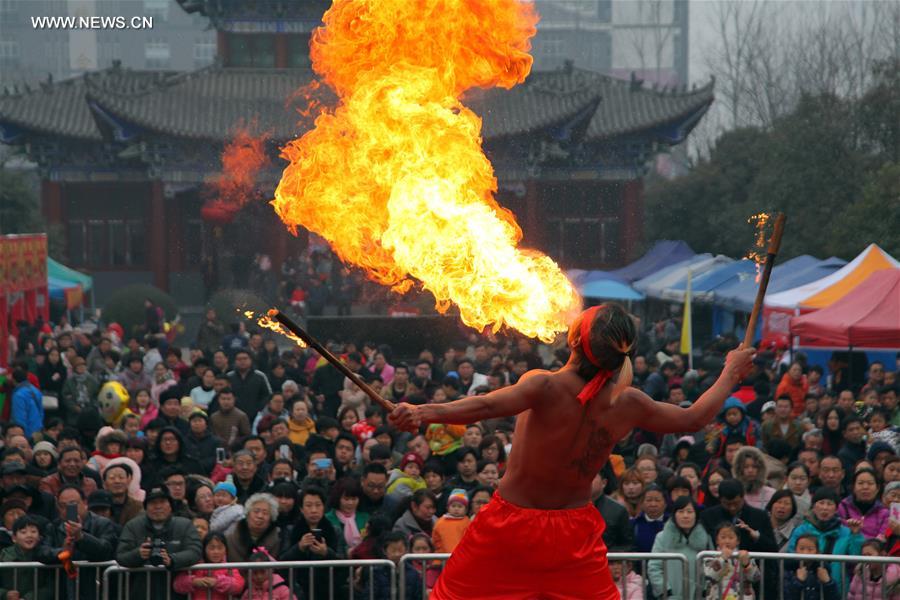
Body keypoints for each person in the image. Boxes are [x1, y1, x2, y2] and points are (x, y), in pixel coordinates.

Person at [389, 303, 755, 599]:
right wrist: (730, 373)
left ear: (576, 343)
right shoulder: (629, 403)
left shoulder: (544, 386)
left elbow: (485, 407)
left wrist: (422, 412)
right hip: (573, 535)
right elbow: (693, 419)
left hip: (511, 529)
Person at [116, 487, 202, 598]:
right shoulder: (133, 526)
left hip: (176, 592)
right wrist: (138, 554)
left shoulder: (185, 525)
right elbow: (121, 555)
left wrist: (172, 559)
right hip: (141, 591)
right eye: (153, 503)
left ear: (170, 506)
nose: (158, 507)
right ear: (146, 507)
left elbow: (195, 551)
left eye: (162, 502)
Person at [45, 485, 118, 600]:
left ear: (85, 503)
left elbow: (106, 550)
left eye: (73, 505)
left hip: (94, 586)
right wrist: (62, 552)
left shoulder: (102, 524)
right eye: (63, 506)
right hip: (62, 587)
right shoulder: (53, 527)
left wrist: (81, 537)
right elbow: (41, 552)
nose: (68, 510)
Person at [787, 487, 864, 589]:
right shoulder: (801, 530)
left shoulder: (845, 532)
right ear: (814, 506)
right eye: (821, 503)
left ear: (836, 509)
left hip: (836, 587)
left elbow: (856, 558)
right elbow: (791, 556)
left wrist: (856, 535)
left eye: (829, 504)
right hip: (806, 587)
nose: (825, 508)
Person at [648, 496, 711, 600]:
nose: (685, 516)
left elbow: (711, 567)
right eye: (681, 511)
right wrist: (666, 592)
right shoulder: (662, 537)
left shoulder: (705, 538)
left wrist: (705, 591)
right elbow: (654, 567)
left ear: (696, 515)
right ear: (674, 515)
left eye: (689, 512)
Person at [173, 531, 245, 600]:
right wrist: (194, 581)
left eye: (220, 548)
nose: (216, 552)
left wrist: (217, 582)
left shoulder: (229, 568)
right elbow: (177, 584)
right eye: (211, 548)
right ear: (204, 549)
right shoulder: (196, 566)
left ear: (225, 549)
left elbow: (238, 585)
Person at [0, 516, 55, 600]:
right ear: (14, 538)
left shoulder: (45, 555)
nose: (29, 535)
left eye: (33, 532)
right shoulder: (3, 556)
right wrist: (5, 594)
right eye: (23, 532)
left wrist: (28, 598)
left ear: (39, 537)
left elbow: (50, 587)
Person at [702, 523, 761, 600]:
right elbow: (710, 576)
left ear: (738, 541)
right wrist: (722, 559)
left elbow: (756, 578)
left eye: (731, 537)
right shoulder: (710, 557)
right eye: (723, 537)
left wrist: (747, 564)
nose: (727, 541)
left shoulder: (744, 556)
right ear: (717, 540)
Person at [224, 493, 281, 561]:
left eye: (265, 513)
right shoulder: (230, 539)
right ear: (247, 514)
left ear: (271, 518)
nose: (260, 516)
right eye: (256, 511)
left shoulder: (278, 540)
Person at [783, 533, 840, 600]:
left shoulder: (823, 569)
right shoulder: (789, 569)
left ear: (817, 552)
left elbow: (834, 597)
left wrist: (828, 582)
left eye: (810, 549)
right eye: (801, 549)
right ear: (795, 550)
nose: (805, 553)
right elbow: (786, 595)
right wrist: (798, 581)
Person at [837, 468, 890, 539]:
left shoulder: (884, 513)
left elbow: (882, 538)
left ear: (877, 488)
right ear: (853, 487)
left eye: (870, 483)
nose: (865, 487)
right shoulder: (843, 507)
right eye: (860, 483)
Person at [432, 489, 470, 553]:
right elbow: (435, 539)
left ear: (466, 510)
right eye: (453, 506)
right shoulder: (440, 522)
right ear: (448, 508)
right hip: (442, 558)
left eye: (460, 506)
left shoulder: (468, 523)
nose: (456, 509)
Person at [11, 369, 43, 440]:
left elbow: (19, 417)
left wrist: (21, 435)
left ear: (14, 380)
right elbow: (41, 412)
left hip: (27, 433)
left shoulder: (18, 395)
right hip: (38, 431)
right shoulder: (35, 390)